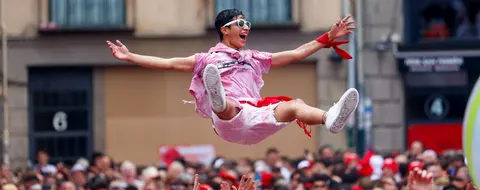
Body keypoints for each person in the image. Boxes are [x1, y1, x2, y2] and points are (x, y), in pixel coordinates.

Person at [107, 9, 358, 145]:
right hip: (229, 122)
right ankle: (218, 100)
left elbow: (294, 54)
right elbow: (168, 63)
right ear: (224, 29)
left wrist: (326, 38)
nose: (246, 27)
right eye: (240, 23)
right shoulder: (207, 58)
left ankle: (329, 118)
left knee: (294, 106)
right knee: (228, 107)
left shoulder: (253, 56)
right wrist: (131, 57)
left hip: (254, 117)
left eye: (247, 23)